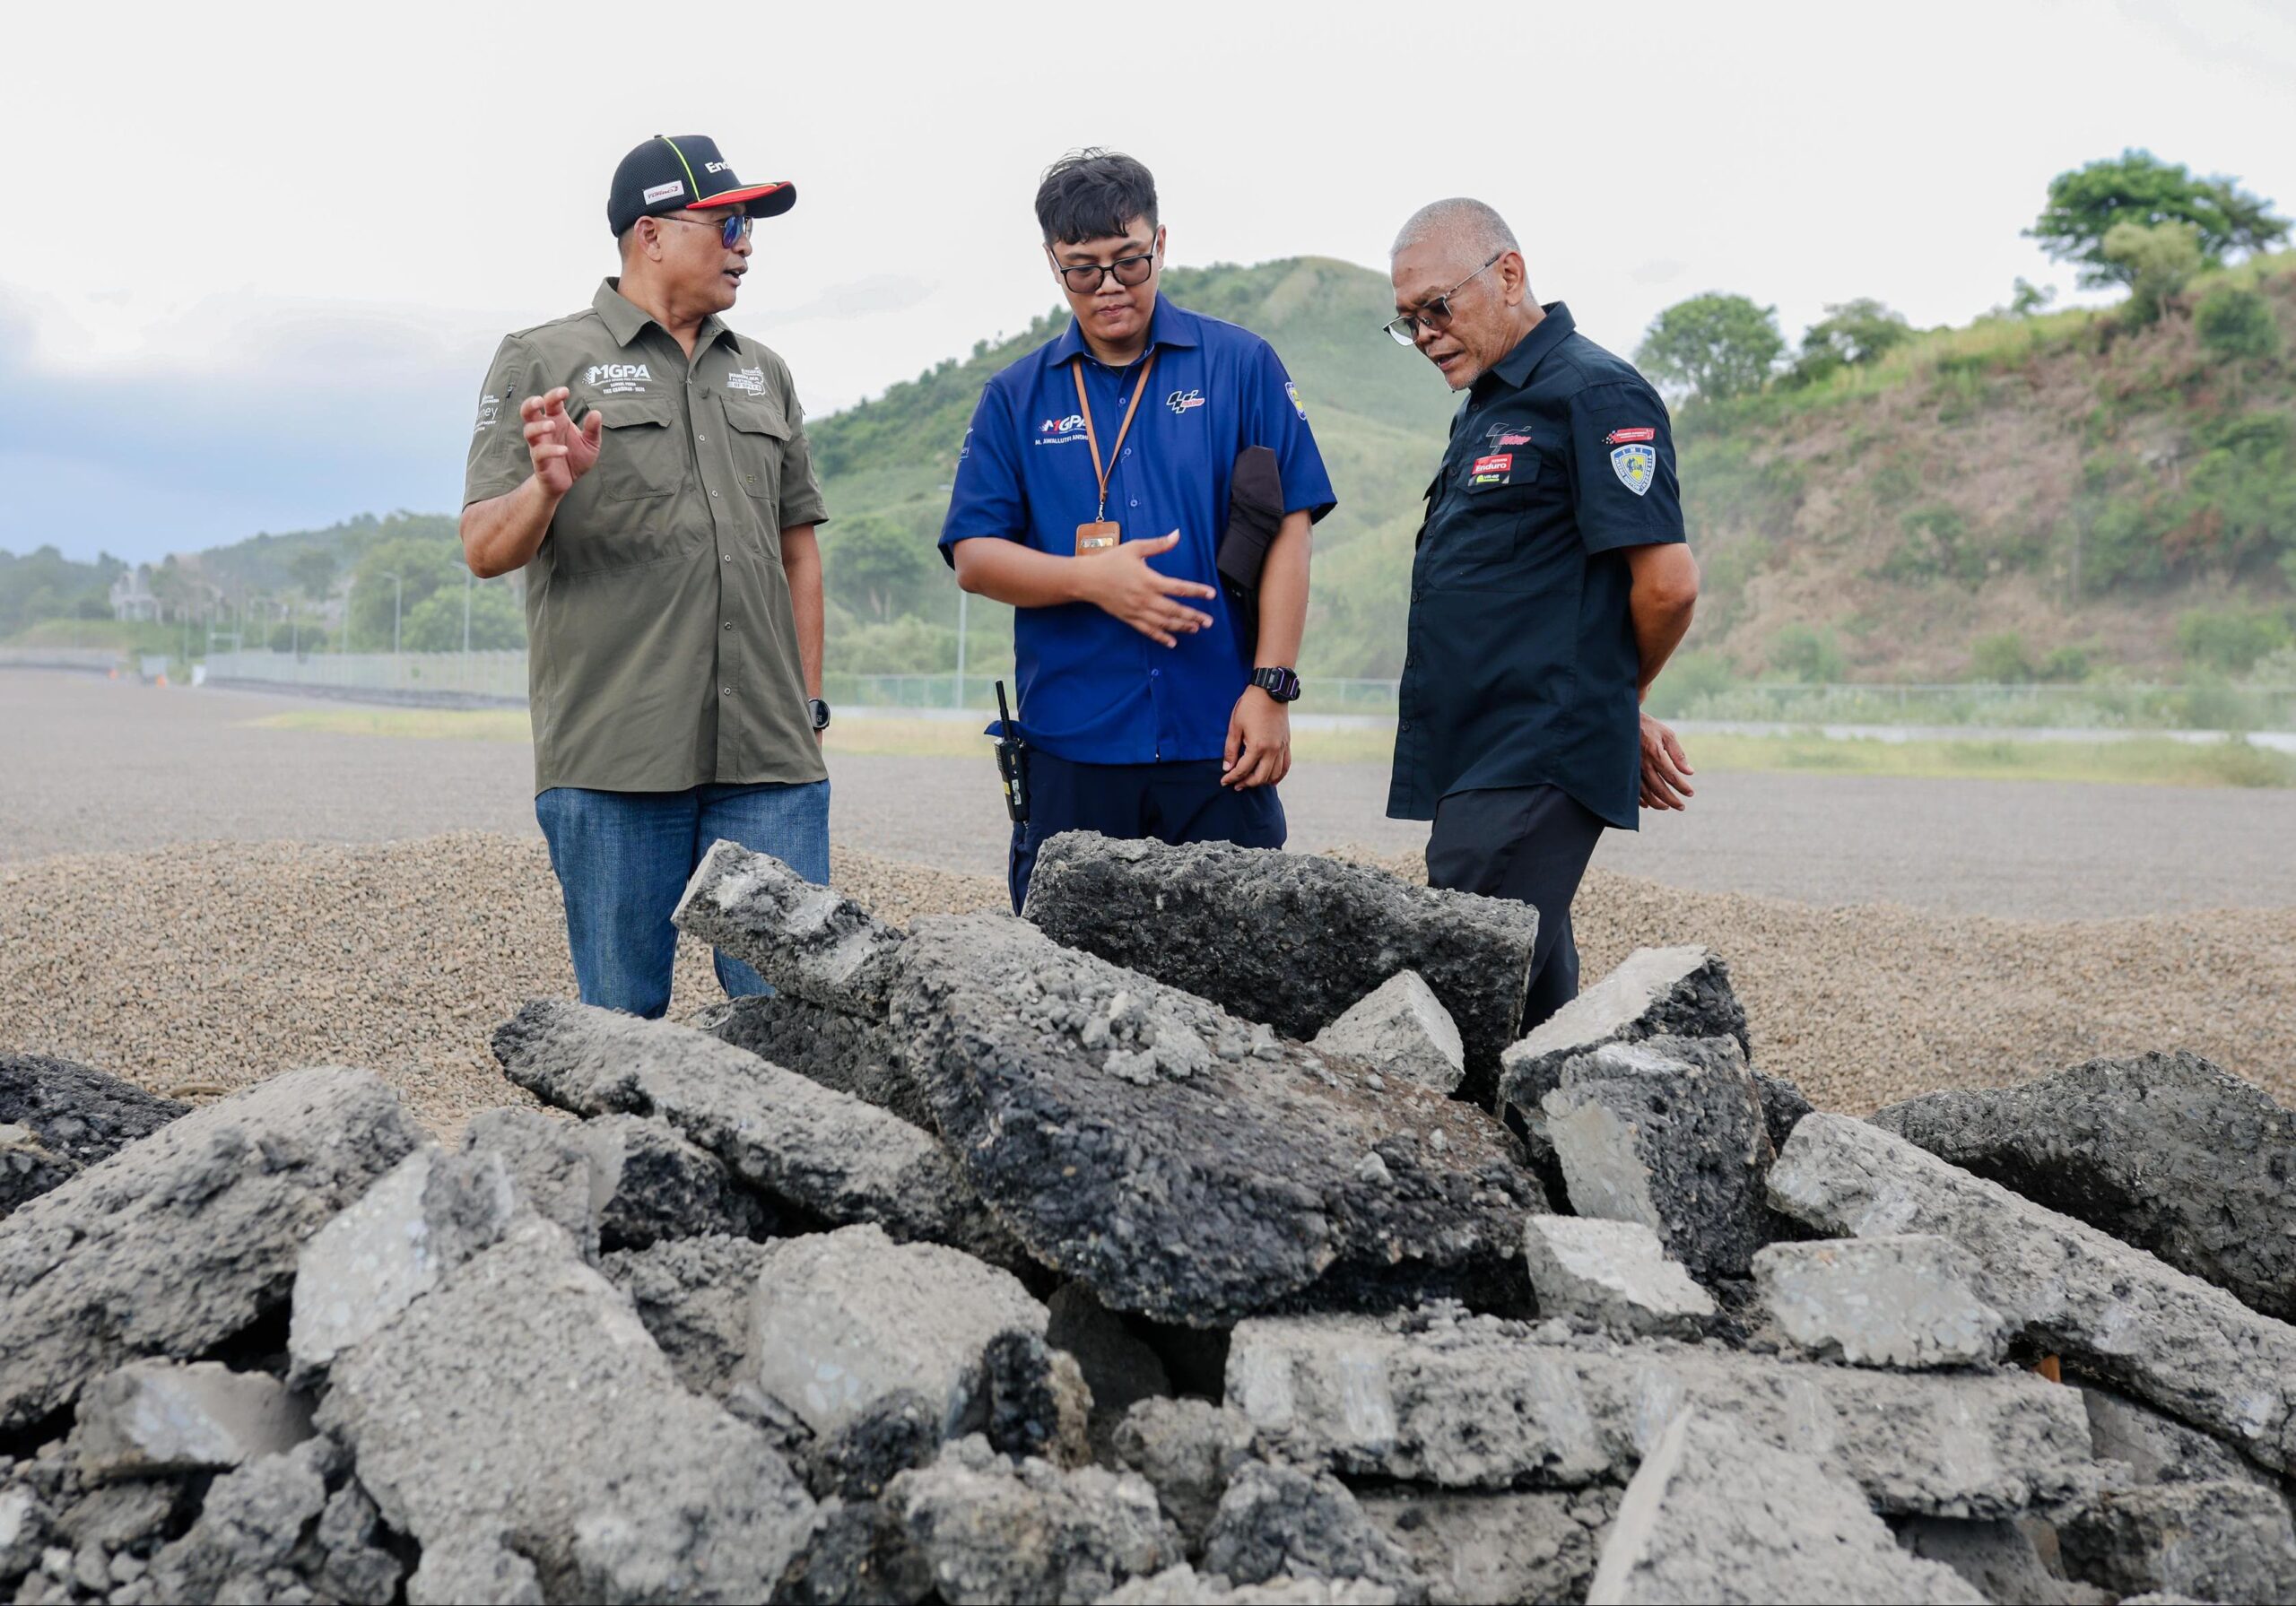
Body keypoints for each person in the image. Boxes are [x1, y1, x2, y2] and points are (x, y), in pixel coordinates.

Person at [460, 135, 832, 1018]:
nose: (746, 243)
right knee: (623, 1025)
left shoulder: (763, 374)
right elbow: (482, 547)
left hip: (770, 762)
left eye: (749, 225)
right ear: (650, 235)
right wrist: (546, 489)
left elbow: (798, 554)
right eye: (727, 221)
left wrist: (808, 712)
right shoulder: (543, 361)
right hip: (616, 761)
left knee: (794, 1016)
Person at [941, 148, 1336, 912]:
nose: (1112, 287)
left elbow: (1292, 528)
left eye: (1130, 261)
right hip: (1071, 745)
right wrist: (1089, 580)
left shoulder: (1242, 366)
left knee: (1242, 979)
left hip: (1221, 740)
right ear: (1053, 265)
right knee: (1065, 992)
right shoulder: (1014, 397)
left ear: (1163, 244)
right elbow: (974, 556)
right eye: (1083, 269)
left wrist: (1273, 686)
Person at [1384, 198, 1700, 1031]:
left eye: (1437, 309)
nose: (1425, 336)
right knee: (1534, 1009)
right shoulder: (1487, 407)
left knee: (1465, 996)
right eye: (1408, 322)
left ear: (1509, 274)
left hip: (1533, 751)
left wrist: (1611, 698)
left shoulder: (1594, 392)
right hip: (1479, 752)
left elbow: (1667, 584)